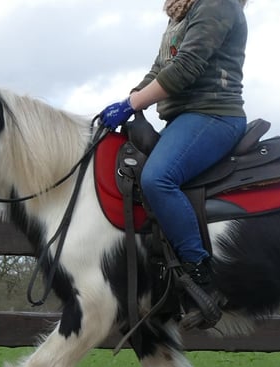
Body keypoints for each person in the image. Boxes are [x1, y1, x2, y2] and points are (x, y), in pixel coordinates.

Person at [100, 0, 249, 329]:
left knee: (157, 178)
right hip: (182, 120)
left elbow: (186, 67)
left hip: (213, 115)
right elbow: (161, 67)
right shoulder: (182, 14)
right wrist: (133, 96)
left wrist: (131, 104)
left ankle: (201, 276)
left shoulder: (217, 4)